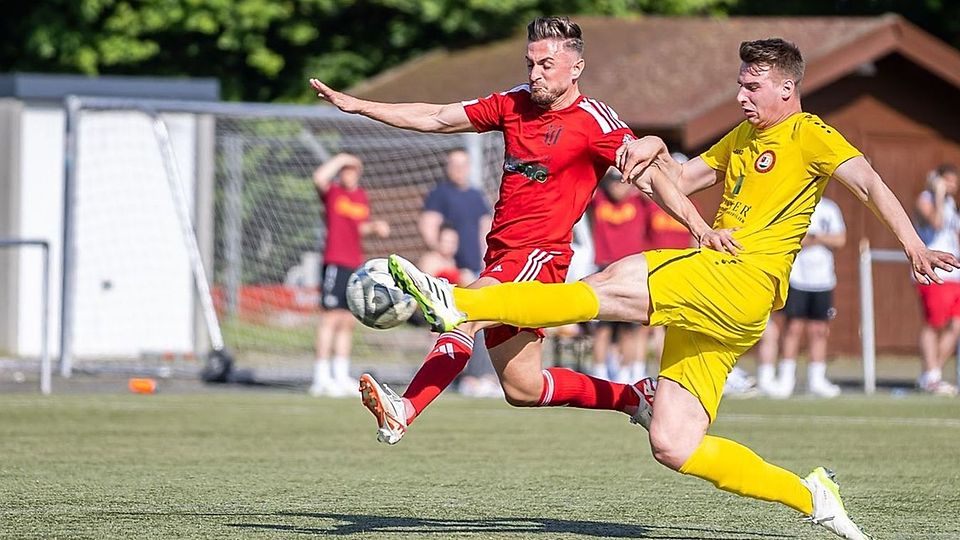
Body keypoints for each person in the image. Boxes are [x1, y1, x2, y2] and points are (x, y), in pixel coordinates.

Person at [388, 38, 960, 539]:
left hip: (740, 278)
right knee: (674, 443)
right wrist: (656, 148)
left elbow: (868, 183)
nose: (742, 96)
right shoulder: (742, 136)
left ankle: (459, 301)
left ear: (787, 88)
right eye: (740, 85)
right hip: (726, 307)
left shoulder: (810, 133)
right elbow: (680, 182)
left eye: (753, 87)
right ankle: (811, 497)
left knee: (609, 285)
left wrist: (913, 246)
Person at [310, 16, 658, 444]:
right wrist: (360, 105)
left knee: (463, 310)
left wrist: (697, 224)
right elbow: (437, 117)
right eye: (530, 64)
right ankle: (634, 397)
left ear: (576, 68)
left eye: (545, 65)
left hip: (539, 256)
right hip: (501, 254)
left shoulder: (594, 119)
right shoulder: (514, 103)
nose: (534, 74)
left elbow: (654, 173)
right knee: (523, 388)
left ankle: (405, 408)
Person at [309, 153, 390, 397]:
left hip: (355, 263)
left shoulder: (360, 197)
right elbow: (318, 177)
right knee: (330, 318)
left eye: (352, 169)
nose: (348, 173)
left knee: (347, 320)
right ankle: (320, 377)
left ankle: (340, 373)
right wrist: (341, 158)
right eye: (344, 169)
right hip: (335, 261)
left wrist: (374, 228)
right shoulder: (333, 192)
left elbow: (359, 227)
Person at [767, 196, 847, 398]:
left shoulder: (830, 208)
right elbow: (793, 238)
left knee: (819, 329)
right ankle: (786, 377)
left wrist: (816, 238)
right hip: (798, 277)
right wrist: (813, 239)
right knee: (793, 327)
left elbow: (840, 239)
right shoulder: (796, 204)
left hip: (823, 279)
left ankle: (816, 378)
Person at [588, 168, 652, 383]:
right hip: (605, 268)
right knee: (602, 329)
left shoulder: (639, 202)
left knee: (629, 329)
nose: (617, 185)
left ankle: (625, 375)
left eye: (622, 180)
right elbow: (589, 181)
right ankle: (599, 372)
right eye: (613, 180)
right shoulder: (599, 200)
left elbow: (653, 186)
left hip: (630, 270)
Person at [914, 164, 960, 396]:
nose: (952, 185)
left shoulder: (952, 205)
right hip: (933, 272)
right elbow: (937, 223)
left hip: (954, 274)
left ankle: (932, 374)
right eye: (947, 180)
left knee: (955, 325)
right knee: (934, 324)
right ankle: (931, 375)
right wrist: (938, 194)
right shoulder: (926, 199)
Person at [419, 148, 492, 279]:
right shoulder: (439, 193)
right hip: (452, 270)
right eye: (455, 164)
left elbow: (485, 228)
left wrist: (485, 260)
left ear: (469, 167)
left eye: (463, 164)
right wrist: (443, 257)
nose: (459, 169)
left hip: (475, 269)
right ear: (448, 167)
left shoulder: (476, 195)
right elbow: (428, 226)